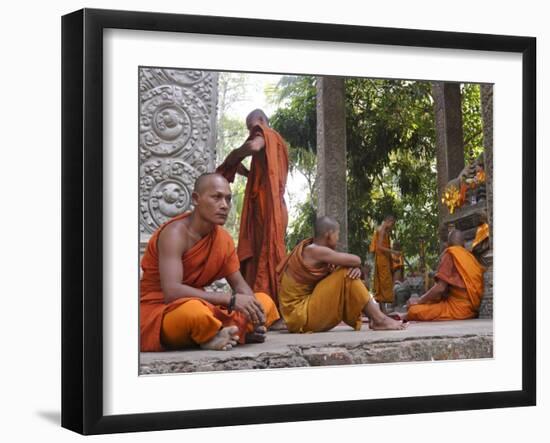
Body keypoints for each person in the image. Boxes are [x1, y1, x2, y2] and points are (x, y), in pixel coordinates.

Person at [140, 173, 280, 352]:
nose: (224, 205)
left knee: (263, 300)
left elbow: (240, 286)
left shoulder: (223, 239)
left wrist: (255, 314)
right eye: (216, 197)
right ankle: (223, 332)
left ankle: (217, 333)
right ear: (196, 199)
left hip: (203, 306)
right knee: (194, 313)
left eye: (228, 199)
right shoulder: (174, 234)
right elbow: (172, 292)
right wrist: (230, 300)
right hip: (161, 310)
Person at [276, 216, 406, 333]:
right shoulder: (314, 250)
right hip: (300, 314)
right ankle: (379, 319)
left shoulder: (315, 251)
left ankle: (377, 318)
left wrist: (354, 269)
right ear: (329, 235)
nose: (338, 239)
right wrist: (351, 267)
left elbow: (335, 278)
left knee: (348, 274)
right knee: (346, 273)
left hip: (302, 313)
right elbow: (356, 260)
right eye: (337, 235)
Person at [216, 109, 289, 304]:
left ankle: (268, 303)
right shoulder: (280, 144)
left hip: (266, 206)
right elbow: (265, 172)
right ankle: (267, 301)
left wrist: (234, 155)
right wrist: (245, 171)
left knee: (266, 251)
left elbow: (254, 146)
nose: (251, 131)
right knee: (267, 250)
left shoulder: (266, 133)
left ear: (261, 121)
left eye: (251, 127)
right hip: (277, 205)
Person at [403, 229, 485, 321]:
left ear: (448, 244)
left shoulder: (451, 253)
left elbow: (440, 288)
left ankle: (404, 317)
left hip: (458, 309)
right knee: (428, 302)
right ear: (464, 244)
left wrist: (419, 300)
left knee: (414, 310)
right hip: (471, 309)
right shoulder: (470, 257)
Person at [369, 215, 401, 310]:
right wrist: (393, 252)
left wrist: (392, 258)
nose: (392, 226)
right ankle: (383, 309)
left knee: (384, 282)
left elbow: (385, 247)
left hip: (384, 259)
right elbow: (379, 247)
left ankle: (383, 309)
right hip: (381, 260)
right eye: (392, 224)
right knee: (384, 283)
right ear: (388, 221)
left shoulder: (384, 230)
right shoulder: (382, 230)